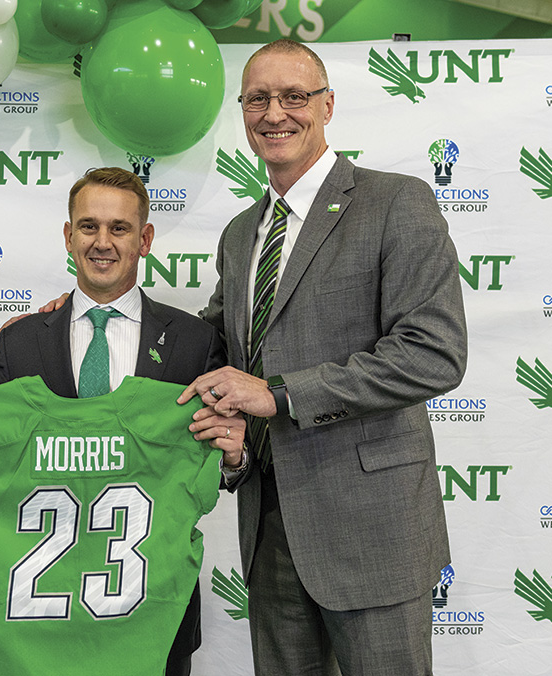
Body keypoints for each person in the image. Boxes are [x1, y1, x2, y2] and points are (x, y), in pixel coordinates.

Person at [178, 39, 468, 675]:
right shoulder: (240, 233)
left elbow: (434, 353)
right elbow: (213, 344)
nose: (274, 112)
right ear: (243, 111)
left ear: (328, 105)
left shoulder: (397, 201)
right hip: (269, 526)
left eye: (294, 96)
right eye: (258, 98)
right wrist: (98, 311)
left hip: (373, 528)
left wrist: (279, 394)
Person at [0, 167, 246, 676]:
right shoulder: (19, 341)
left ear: (146, 239)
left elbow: (216, 468)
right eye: (88, 226)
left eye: (119, 228)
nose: (103, 242)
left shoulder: (193, 341)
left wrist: (232, 458)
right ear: (68, 237)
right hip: (35, 626)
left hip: (152, 618)